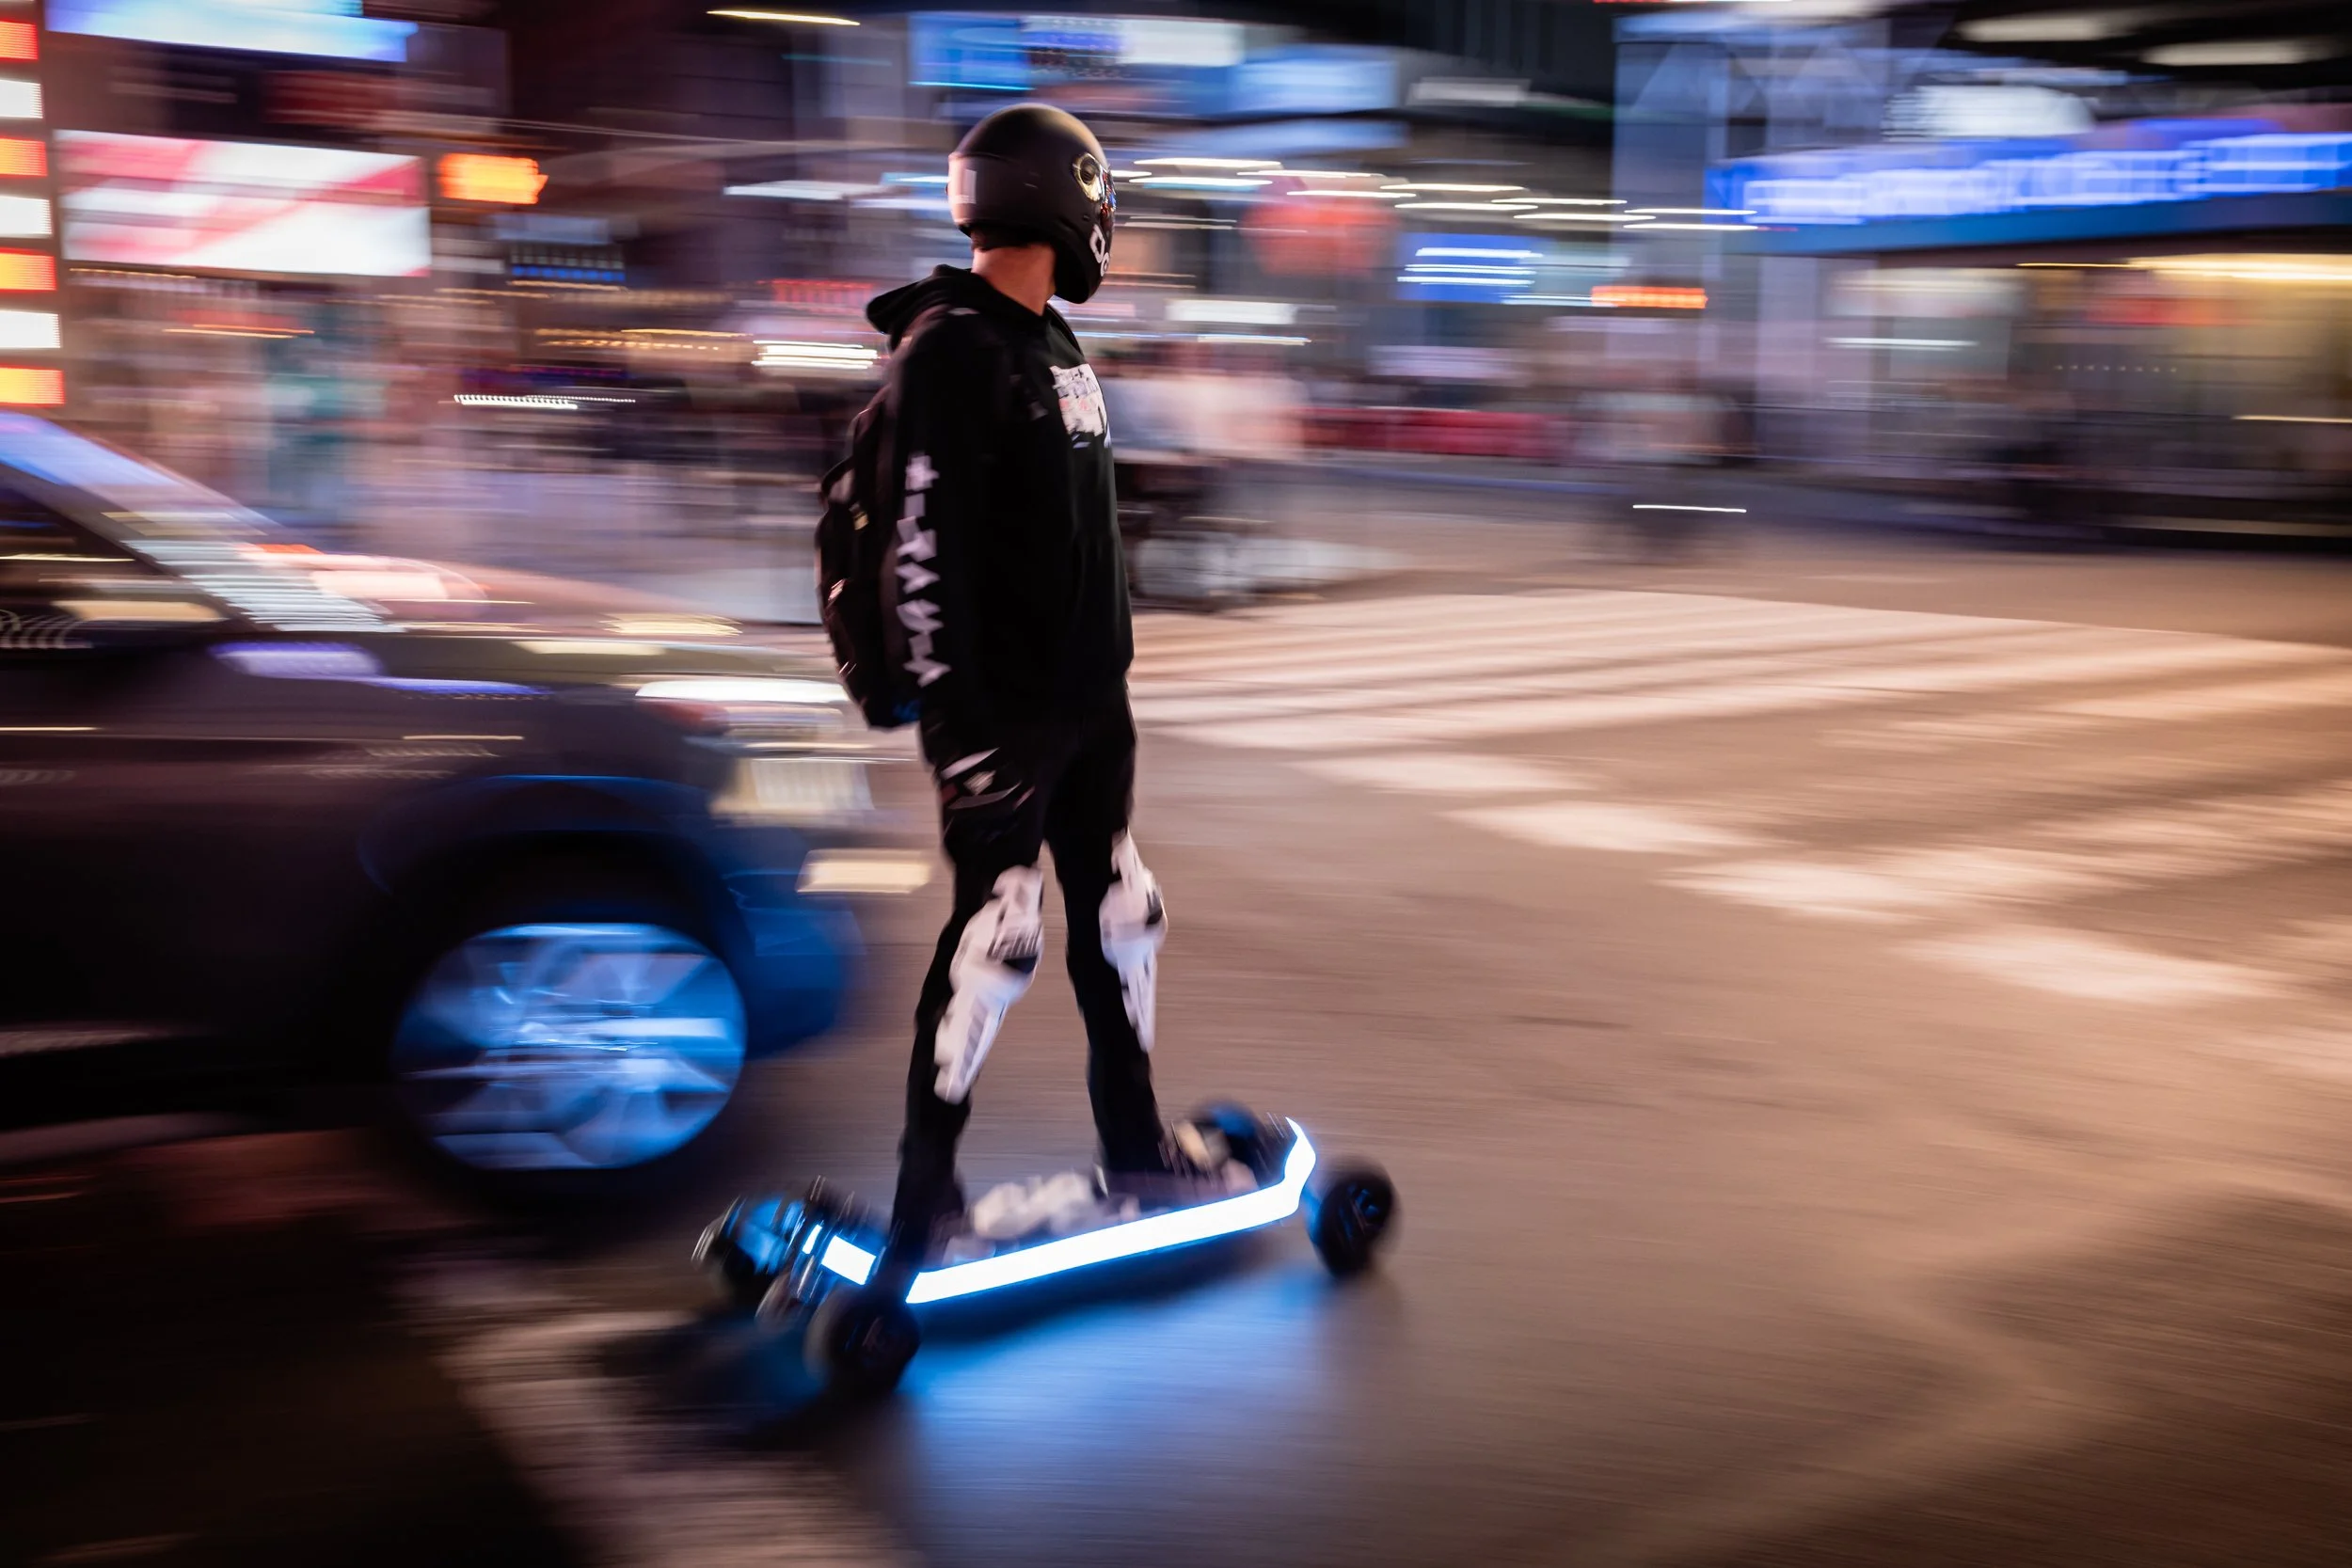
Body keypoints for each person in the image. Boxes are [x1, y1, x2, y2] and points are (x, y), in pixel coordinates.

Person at [859, 104, 1217, 1294]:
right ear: (1058, 197)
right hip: (1001, 718)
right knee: (995, 936)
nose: (1106, 217)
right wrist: (957, 733)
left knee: (1121, 914)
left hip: (1089, 701)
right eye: (1098, 193)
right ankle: (923, 1197)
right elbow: (919, 554)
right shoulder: (948, 350)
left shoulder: (1053, 341)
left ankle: (1137, 1144)